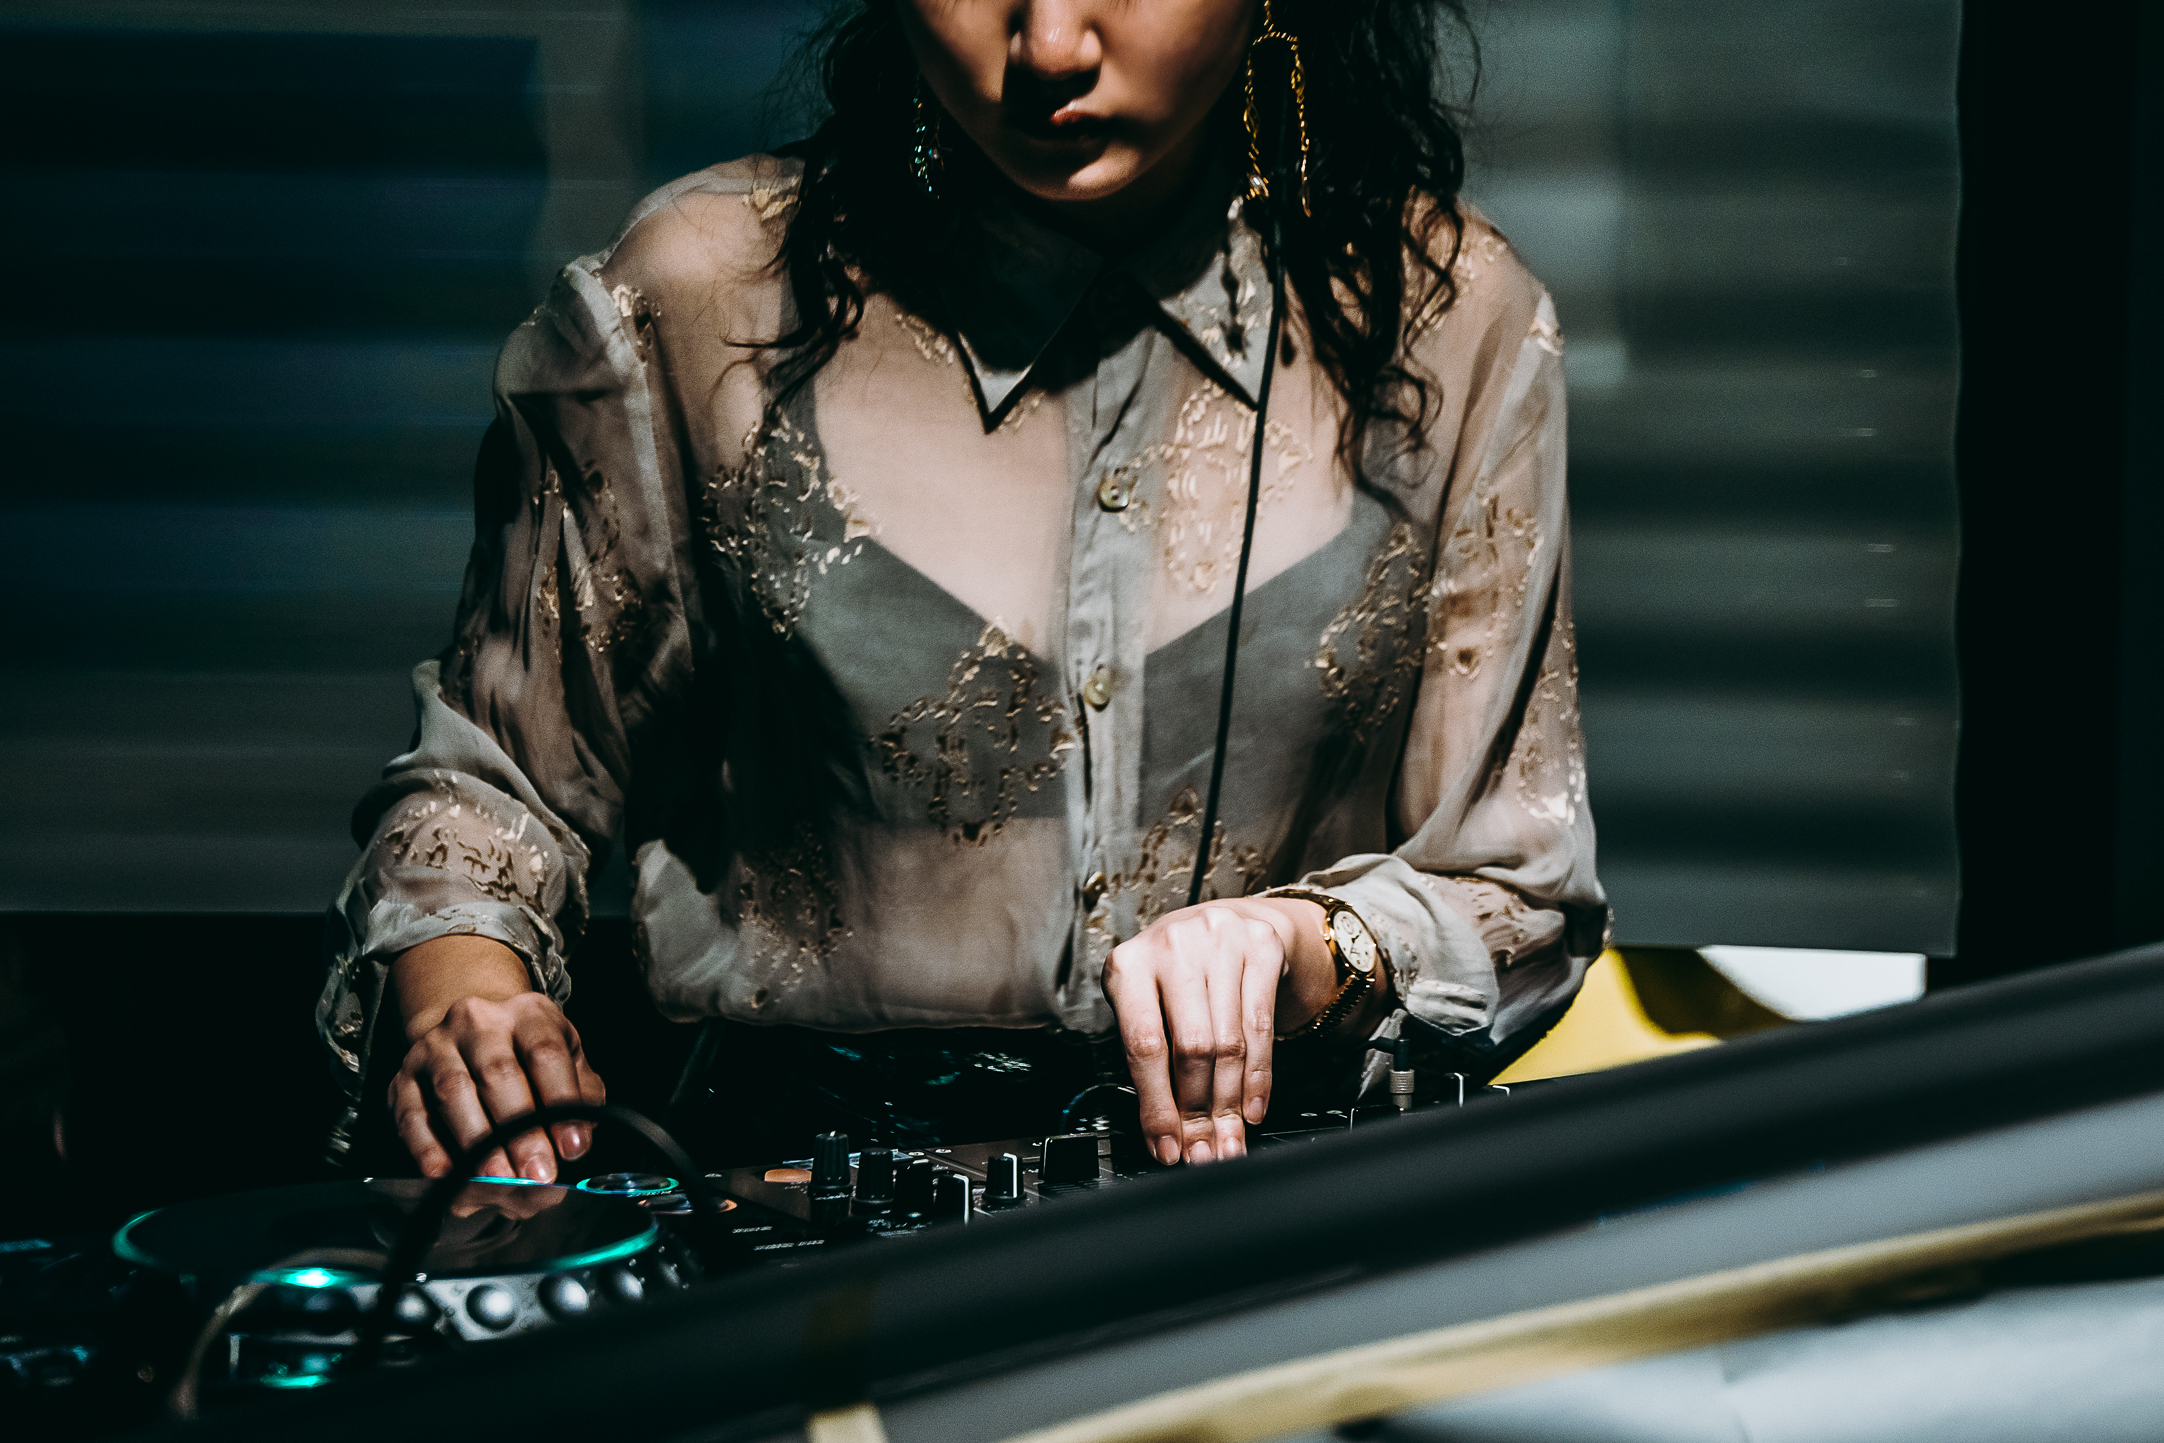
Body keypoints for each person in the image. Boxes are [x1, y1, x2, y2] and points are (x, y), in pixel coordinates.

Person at [317, 0, 1609, 1184]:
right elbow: (492, 790)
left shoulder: (1448, 324)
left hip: (1274, 1230)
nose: (1048, 47)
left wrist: (1314, 950)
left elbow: (1524, 893)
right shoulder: (698, 301)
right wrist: (463, 997)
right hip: (798, 1226)